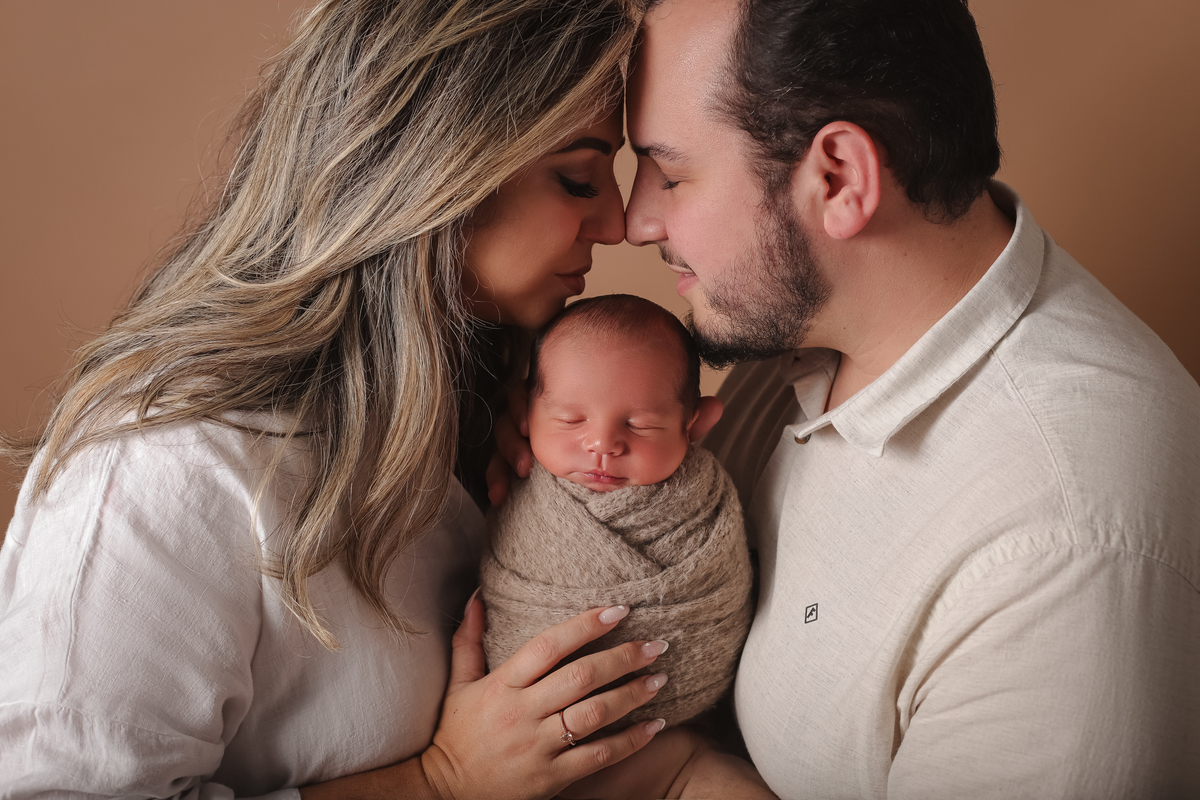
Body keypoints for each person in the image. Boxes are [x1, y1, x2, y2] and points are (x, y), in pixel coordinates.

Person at [497, 0, 1200, 796]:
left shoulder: (1065, 554)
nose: (636, 221)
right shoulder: (810, 322)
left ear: (838, 178)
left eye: (672, 173)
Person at [0, 1, 677, 797]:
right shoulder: (172, 463)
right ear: (434, 167)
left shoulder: (502, 420)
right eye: (577, 178)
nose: (619, 223)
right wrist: (441, 783)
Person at [481, 294, 751, 736]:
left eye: (640, 425)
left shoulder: (707, 502)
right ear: (524, 411)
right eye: (571, 420)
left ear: (694, 423)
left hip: (689, 721)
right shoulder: (508, 478)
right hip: (520, 723)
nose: (603, 444)